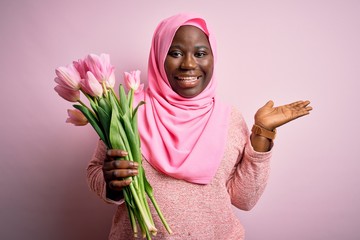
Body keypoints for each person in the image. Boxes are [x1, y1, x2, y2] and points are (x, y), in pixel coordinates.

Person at [87, 13, 313, 239]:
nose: (188, 64)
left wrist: (262, 133)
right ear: (158, 57)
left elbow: (244, 200)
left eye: (200, 53)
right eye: (175, 53)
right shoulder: (128, 114)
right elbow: (97, 171)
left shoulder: (230, 119)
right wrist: (111, 182)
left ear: (212, 58)